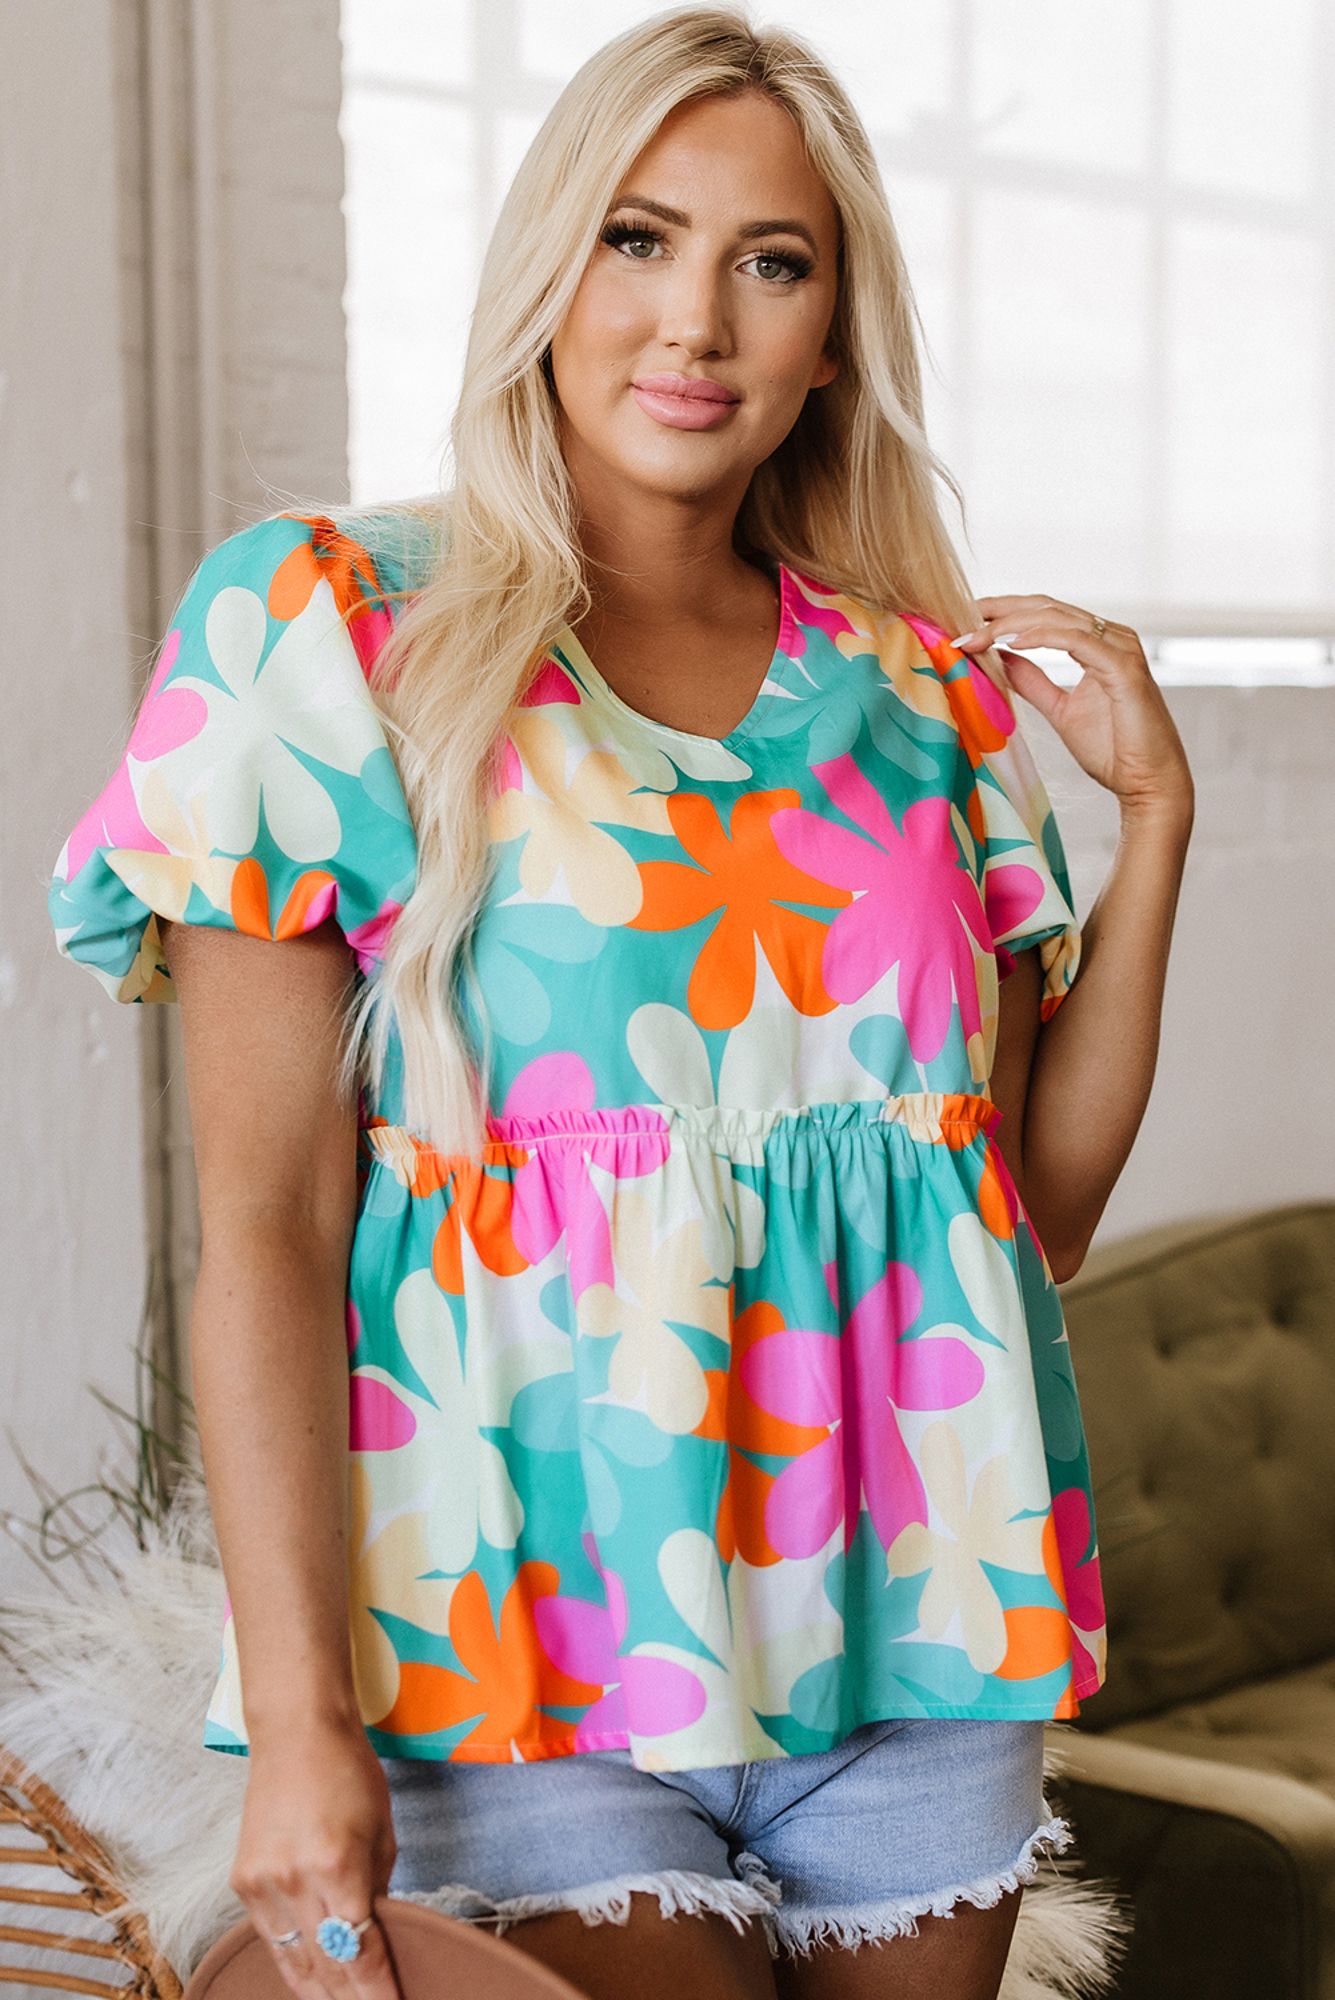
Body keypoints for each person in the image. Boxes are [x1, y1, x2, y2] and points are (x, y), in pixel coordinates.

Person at [50, 11, 1193, 1999]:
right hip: (522, 1649)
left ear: (830, 336)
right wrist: (302, 1718)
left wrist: (1153, 823)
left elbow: (1028, 1214)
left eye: (772, 263)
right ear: (548, 269)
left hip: (916, 1637)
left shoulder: (917, 696)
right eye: (638, 238)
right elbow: (270, 1224)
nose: (697, 321)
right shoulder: (332, 630)